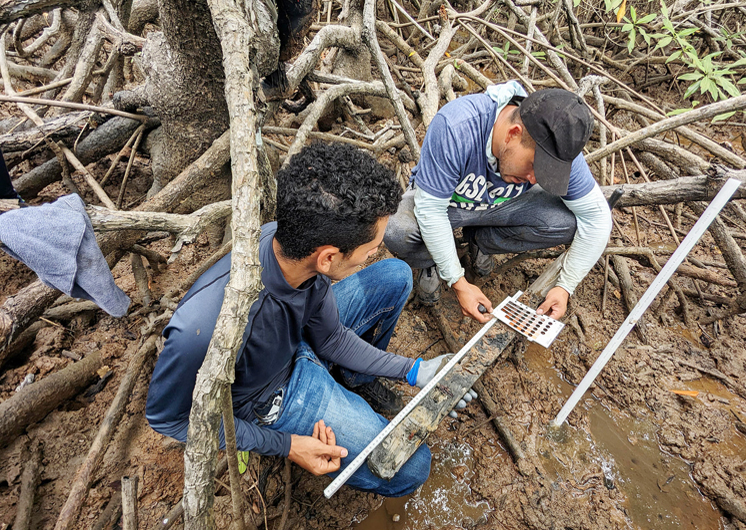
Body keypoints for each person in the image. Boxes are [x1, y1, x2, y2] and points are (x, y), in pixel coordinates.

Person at [146, 142, 455, 497]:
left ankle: (354, 379)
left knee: (395, 276)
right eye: (370, 251)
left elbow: (331, 338)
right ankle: (321, 397)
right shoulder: (201, 329)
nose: (373, 255)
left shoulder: (299, 248)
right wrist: (286, 444)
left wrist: (414, 370)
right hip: (272, 394)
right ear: (327, 258)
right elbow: (168, 418)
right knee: (412, 467)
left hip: (300, 341)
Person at [384, 81, 612, 323]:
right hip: (449, 204)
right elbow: (431, 211)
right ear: (513, 134)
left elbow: (597, 218)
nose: (535, 179)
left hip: (502, 206)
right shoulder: (457, 127)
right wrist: (458, 282)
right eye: (535, 167)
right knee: (397, 229)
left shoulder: (558, 150)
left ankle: (482, 241)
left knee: (567, 223)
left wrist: (565, 286)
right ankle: (430, 260)